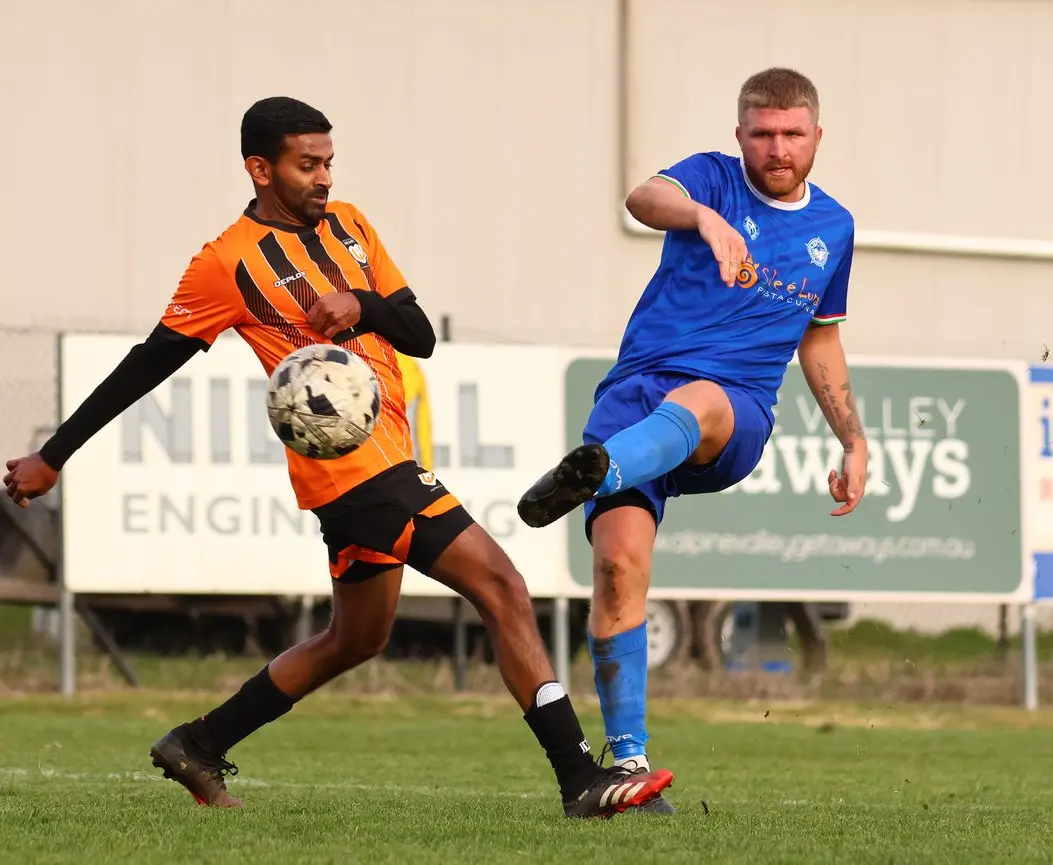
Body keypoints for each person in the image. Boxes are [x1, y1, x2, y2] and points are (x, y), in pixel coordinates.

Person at [2, 96, 672, 819]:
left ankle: (197, 742)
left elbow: (418, 335)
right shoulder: (227, 263)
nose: (324, 177)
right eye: (307, 164)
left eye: (328, 162)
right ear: (260, 169)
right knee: (502, 586)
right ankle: (579, 778)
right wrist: (54, 455)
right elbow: (148, 362)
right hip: (354, 472)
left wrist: (361, 303)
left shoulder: (350, 226)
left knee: (357, 637)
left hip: (386, 457)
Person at [516, 68, 865, 813]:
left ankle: (600, 471)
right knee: (617, 569)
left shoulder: (834, 227)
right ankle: (630, 768)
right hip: (635, 395)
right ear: (740, 135)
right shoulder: (710, 179)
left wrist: (852, 441)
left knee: (701, 399)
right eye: (762, 134)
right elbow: (642, 198)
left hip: (733, 412)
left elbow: (821, 340)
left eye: (792, 134)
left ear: (817, 136)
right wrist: (705, 218)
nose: (777, 148)